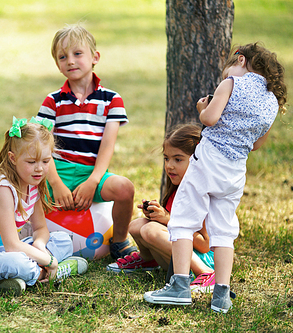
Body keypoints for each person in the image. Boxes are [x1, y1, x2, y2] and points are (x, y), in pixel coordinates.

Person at [144, 43, 287, 313]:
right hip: (235, 172)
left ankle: (180, 286)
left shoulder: (233, 83)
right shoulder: (271, 101)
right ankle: (221, 294)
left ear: (241, 60)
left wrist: (202, 107)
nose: (225, 77)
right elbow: (256, 145)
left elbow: (209, 119)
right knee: (224, 231)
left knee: (184, 219)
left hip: (209, 162)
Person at [0, 117, 88, 295]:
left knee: (63, 240)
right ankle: (51, 273)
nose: (39, 169)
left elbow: (41, 228)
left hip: (2, 251)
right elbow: (12, 245)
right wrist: (49, 261)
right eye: (31, 162)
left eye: (45, 161)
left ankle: (17, 277)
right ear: (13, 158)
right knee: (16, 262)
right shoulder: (2, 189)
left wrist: (40, 247)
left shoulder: (32, 185)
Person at [36, 24, 137, 260]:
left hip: (91, 171)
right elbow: (42, 146)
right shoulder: (53, 101)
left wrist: (93, 181)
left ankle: (120, 241)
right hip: (56, 169)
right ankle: (8, 238)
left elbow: (107, 146)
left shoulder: (112, 100)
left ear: (95, 57)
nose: (70, 61)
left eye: (77, 54)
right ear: (58, 64)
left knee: (125, 188)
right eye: (63, 57)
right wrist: (56, 182)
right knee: (16, 189)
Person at [106, 124, 216, 292]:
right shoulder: (176, 190)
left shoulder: (201, 194)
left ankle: (205, 274)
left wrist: (168, 219)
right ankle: (148, 259)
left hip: (201, 258)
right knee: (136, 226)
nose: (169, 165)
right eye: (166, 158)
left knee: (151, 230)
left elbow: (205, 245)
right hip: (179, 255)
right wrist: (157, 215)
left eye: (177, 159)